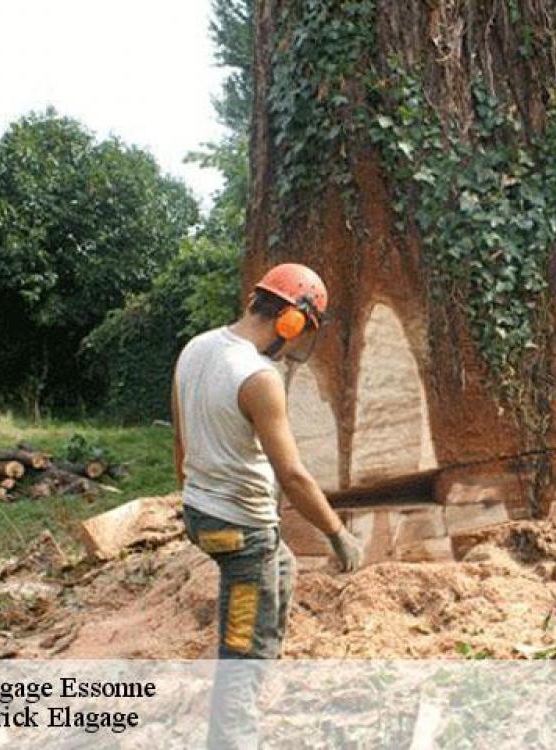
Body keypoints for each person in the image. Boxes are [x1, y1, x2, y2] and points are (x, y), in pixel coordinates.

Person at [172, 262, 363, 747]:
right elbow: (293, 476)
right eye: (303, 331)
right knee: (241, 652)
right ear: (291, 320)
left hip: (202, 512)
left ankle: (259, 667)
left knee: (281, 566)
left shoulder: (197, 348)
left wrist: (193, 497)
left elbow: (181, 441)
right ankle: (235, 727)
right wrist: (338, 534)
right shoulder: (258, 376)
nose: (297, 343)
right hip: (241, 531)